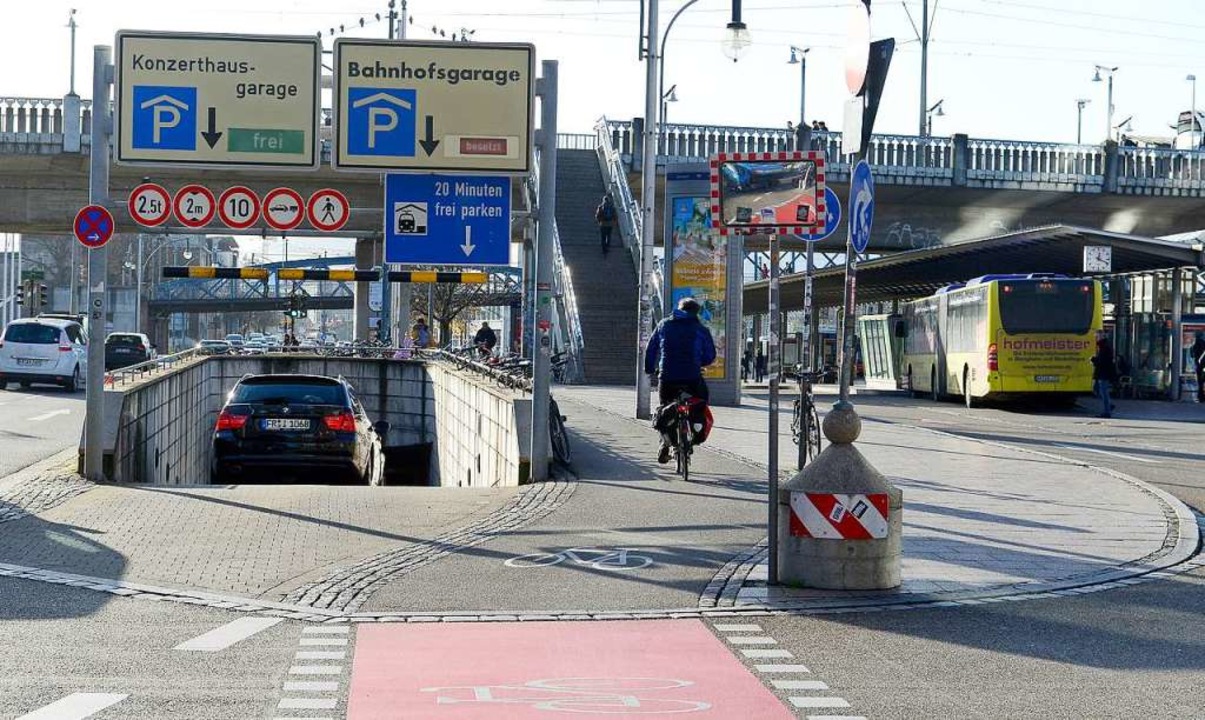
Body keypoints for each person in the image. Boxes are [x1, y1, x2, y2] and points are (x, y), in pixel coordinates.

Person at [644, 297, 717, 463]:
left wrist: (650, 369)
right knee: (701, 401)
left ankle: (665, 442)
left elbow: (651, 348)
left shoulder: (664, 324)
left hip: (668, 376)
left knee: (665, 407)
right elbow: (710, 355)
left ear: (679, 309)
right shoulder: (700, 329)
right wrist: (699, 362)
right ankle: (694, 429)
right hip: (692, 377)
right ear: (695, 312)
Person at [1091, 333, 1118, 418]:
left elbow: (1103, 362)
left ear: (1102, 337)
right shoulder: (1103, 347)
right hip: (1102, 373)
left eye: (1097, 336)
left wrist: (1094, 360)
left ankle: (1107, 411)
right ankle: (1109, 406)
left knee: (1103, 392)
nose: (1096, 338)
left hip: (1103, 374)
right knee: (1098, 390)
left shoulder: (1104, 348)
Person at [1192, 331, 1205, 403]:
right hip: (1203, 365)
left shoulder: (1195, 345)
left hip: (1199, 365)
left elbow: (1192, 354)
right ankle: (1201, 396)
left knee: (1200, 381)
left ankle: (1200, 396)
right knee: (1202, 381)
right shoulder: (1203, 343)